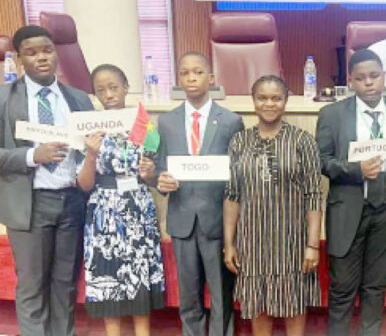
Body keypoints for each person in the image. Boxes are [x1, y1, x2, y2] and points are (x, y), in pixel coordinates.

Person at [315, 49, 386, 335]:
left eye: (374, 76)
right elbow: (322, 161)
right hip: (349, 208)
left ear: (384, 77)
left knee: (375, 288)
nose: (368, 83)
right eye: (361, 78)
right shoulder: (332, 114)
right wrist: (356, 170)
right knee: (342, 289)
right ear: (350, 81)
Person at [0, 25, 94, 336]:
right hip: (30, 204)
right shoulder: (4, 98)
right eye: (31, 52)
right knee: (32, 286)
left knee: (65, 285)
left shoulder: (79, 99)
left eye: (47, 50)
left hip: (71, 202)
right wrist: (31, 156)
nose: (41, 57)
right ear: (18, 60)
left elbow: (89, 150)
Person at [223, 75, 323, 335]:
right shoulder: (239, 141)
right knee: (258, 303)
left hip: (291, 240)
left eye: (276, 98)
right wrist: (229, 243)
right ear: (253, 101)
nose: (269, 104)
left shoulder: (303, 141)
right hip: (252, 239)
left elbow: (314, 194)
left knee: (294, 302)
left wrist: (312, 245)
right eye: (262, 98)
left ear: (286, 101)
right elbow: (232, 194)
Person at [155, 52, 245, 336]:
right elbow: (157, 167)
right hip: (182, 220)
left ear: (211, 78)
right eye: (184, 73)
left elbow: (238, 173)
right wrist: (161, 180)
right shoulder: (166, 122)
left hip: (217, 220)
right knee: (189, 295)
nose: (191, 78)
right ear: (178, 79)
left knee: (221, 294)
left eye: (197, 72)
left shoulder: (231, 121)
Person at [77, 64, 165, 335]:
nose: (109, 94)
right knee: (109, 279)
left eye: (114, 87)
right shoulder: (89, 128)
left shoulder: (145, 125)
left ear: (126, 87)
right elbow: (84, 185)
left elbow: (154, 177)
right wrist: (91, 155)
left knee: (138, 276)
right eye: (101, 90)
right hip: (104, 211)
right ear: (95, 95)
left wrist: (150, 174)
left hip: (138, 206)